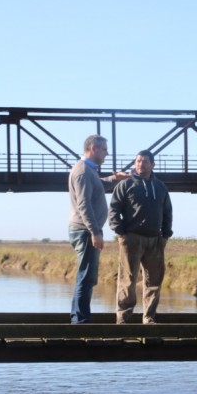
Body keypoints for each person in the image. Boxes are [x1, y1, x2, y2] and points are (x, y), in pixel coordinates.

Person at [68, 134, 128, 324]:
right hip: (85, 231)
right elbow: (84, 204)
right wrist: (94, 232)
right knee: (86, 277)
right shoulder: (83, 172)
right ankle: (81, 322)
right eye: (104, 150)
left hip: (85, 230)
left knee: (85, 276)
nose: (107, 154)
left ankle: (78, 318)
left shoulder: (89, 171)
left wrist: (115, 178)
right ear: (93, 148)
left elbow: (98, 185)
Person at [108, 149, 173, 324]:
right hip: (131, 239)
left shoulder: (160, 187)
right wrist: (120, 232)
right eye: (138, 161)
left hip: (155, 240)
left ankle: (149, 317)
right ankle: (123, 319)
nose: (140, 164)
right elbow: (113, 209)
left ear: (152, 164)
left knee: (154, 282)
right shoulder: (125, 185)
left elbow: (167, 211)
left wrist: (165, 235)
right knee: (127, 281)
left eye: (144, 161)